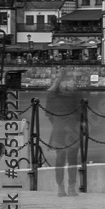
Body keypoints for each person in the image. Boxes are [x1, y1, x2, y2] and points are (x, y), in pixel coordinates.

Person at [46, 68, 82, 196]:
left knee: (59, 159)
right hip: (72, 130)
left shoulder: (52, 96)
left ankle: (60, 188)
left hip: (58, 129)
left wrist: (57, 122)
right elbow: (81, 114)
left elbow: (48, 114)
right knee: (72, 159)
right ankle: (72, 188)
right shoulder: (75, 95)